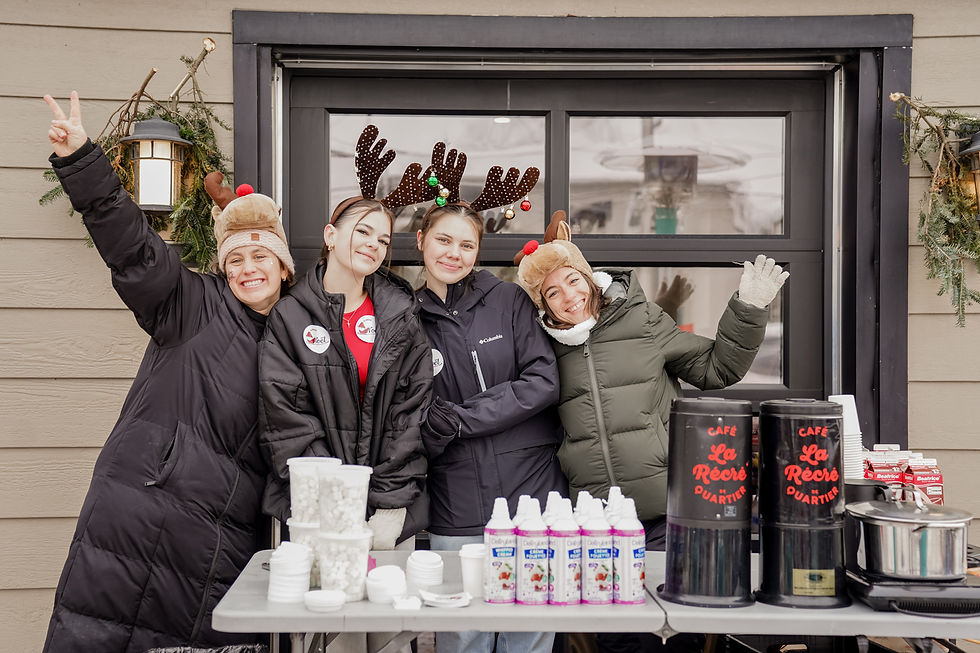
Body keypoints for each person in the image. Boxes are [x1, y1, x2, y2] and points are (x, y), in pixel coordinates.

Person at [42, 91, 293, 652]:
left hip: (221, 539)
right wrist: (83, 159)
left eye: (261, 257)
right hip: (140, 508)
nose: (248, 268)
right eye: (236, 258)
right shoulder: (191, 303)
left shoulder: (297, 341)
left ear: (283, 265)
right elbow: (131, 247)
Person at [515, 212, 787, 653]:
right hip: (596, 519)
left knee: (676, 626)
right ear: (543, 304)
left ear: (587, 275)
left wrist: (749, 307)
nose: (568, 296)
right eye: (552, 292)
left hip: (663, 510)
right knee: (618, 636)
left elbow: (717, 367)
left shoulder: (640, 320)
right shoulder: (541, 347)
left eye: (572, 280)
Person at [258, 126, 433, 551]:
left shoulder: (400, 316)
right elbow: (285, 416)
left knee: (386, 615)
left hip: (387, 515)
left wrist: (388, 506)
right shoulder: (290, 316)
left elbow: (410, 414)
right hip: (313, 511)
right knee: (317, 615)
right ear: (331, 236)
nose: (374, 245)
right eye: (363, 232)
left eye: (384, 239)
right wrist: (335, 498)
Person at [417, 201, 566, 653]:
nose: (453, 254)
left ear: (478, 253)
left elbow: (542, 382)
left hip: (531, 493)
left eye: (467, 245)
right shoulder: (405, 315)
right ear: (420, 241)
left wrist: (460, 419)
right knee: (462, 633)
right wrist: (437, 425)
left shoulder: (508, 300)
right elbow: (408, 409)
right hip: (455, 499)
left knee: (530, 627)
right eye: (443, 240)